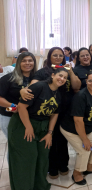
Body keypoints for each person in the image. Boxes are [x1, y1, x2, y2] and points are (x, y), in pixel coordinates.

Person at [20, 47, 81, 179]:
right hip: (49, 111)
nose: (58, 57)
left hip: (65, 112)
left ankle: (63, 165)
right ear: (49, 57)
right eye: (55, 55)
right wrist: (23, 91)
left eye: (61, 55)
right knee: (51, 140)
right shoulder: (43, 72)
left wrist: (70, 72)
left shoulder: (67, 70)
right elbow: (33, 87)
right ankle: (52, 168)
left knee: (63, 140)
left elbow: (76, 87)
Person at [8, 68, 68, 190]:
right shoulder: (39, 86)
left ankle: (40, 186)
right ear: (52, 75)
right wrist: (28, 127)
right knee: (26, 159)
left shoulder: (58, 94)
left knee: (42, 158)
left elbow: (54, 114)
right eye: (60, 75)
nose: (62, 79)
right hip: (23, 124)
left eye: (65, 78)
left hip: (43, 127)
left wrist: (50, 133)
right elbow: (21, 107)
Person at [60, 70, 92, 185]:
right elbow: (77, 121)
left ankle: (89, 167)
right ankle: (76, 173)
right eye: (90, 81)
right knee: (85, 150)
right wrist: (85, 139)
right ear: (86, 81)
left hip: (87, 128)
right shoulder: (80, 96)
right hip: (71, 129)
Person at [0, 52, 37, 152]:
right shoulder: (8, 78)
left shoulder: (36, 78)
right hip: (9, 115)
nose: (27, 63)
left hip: (28, 117)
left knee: (25, 145)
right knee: (15, 147)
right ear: (18, 63)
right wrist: (12, 106)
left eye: (30, 60)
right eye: (24, 61)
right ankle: (14, 167)